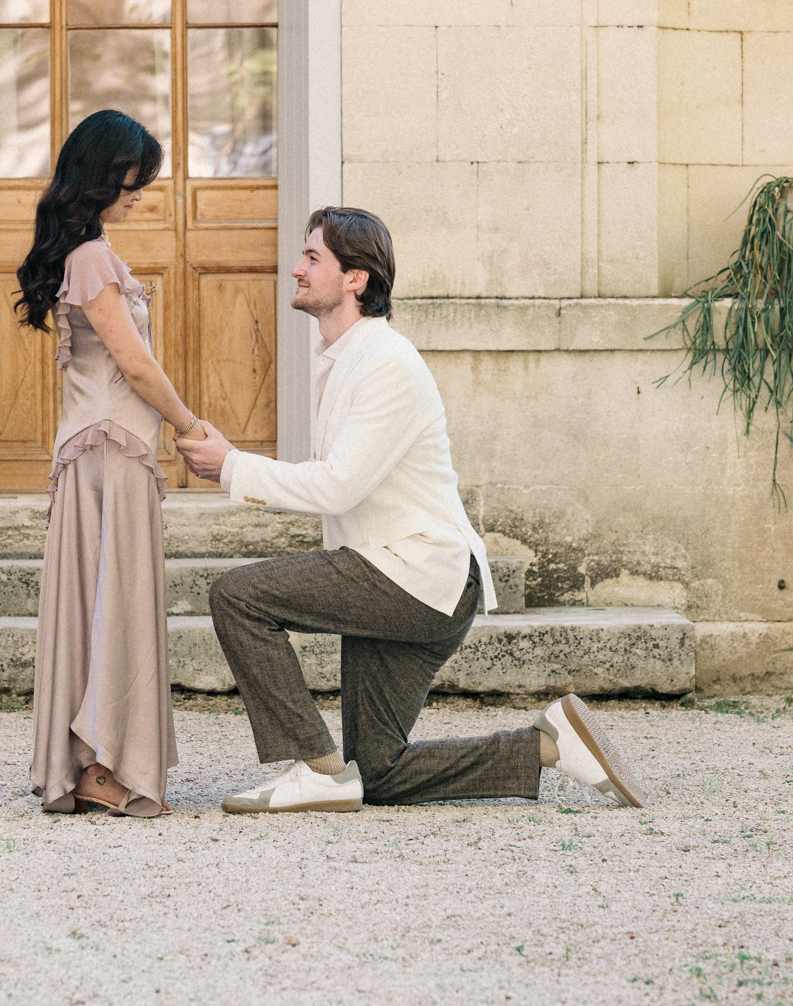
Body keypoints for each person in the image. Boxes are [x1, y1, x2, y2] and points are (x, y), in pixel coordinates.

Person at [178, 205, 645, 814]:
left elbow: (337, 487)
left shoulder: (387, 364)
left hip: (418, 573)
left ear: (356, 278)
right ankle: (548, 746)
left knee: (238, 597)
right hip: (399, 575)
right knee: (379, 772)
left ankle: (316, 771)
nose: (296, 268)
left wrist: (232, 467)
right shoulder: (342, 360)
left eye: (312, 257)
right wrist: (235, 465)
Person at [16, 108, 212, 818]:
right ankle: (102, 767)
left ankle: (88, 763)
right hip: (112, 447)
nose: (139, 195)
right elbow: (133, 362)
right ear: (101, 177)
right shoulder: (93, 257)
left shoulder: (84, 252)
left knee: (97, 603)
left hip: (95, 446)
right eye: (132, 181)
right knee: (117, 602)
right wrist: (190, 427)